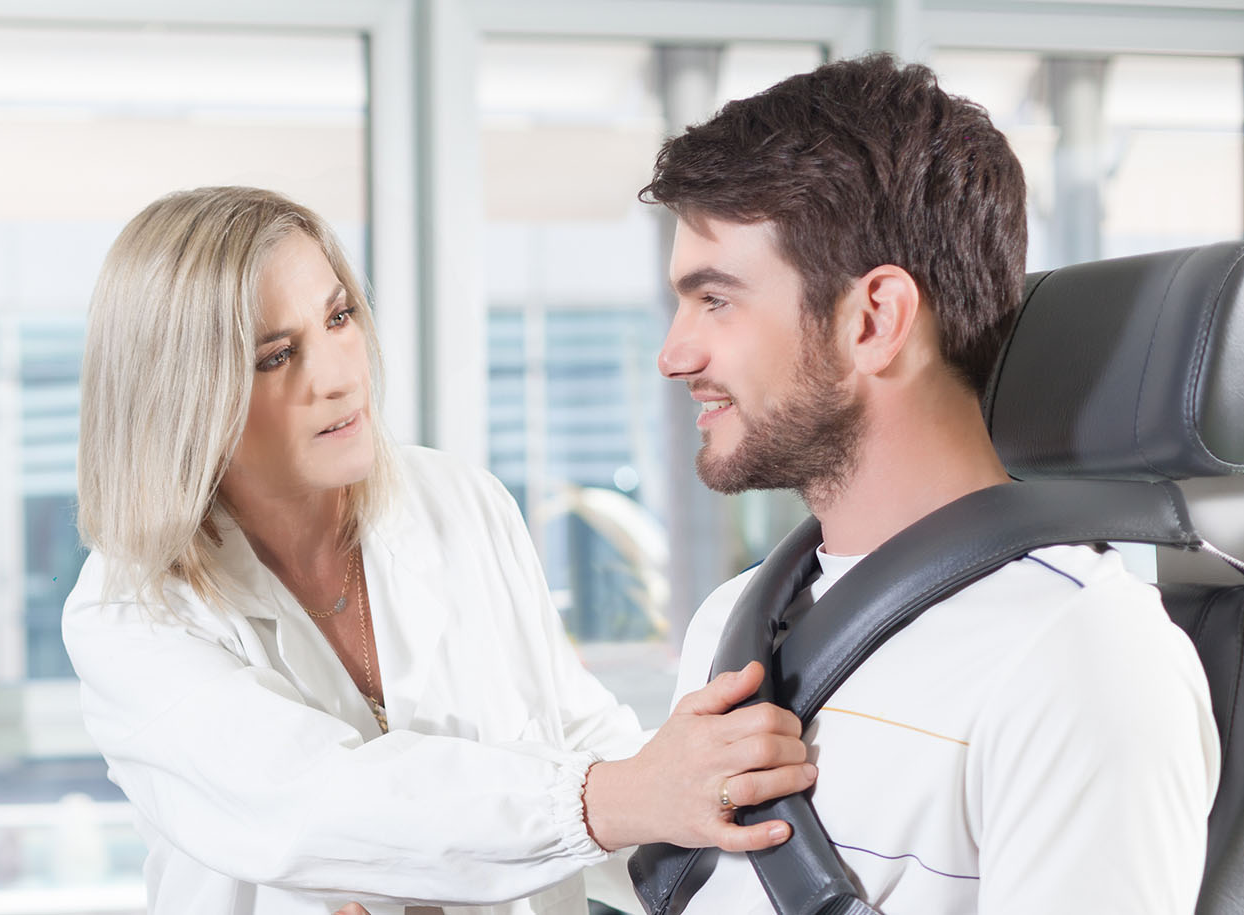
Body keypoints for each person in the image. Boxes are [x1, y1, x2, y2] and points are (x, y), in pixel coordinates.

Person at [61, 186, 819, 915]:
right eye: (274, 356)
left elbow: (576, 732)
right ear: (181, 396)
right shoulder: (130, 610)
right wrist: (621, 795)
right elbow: (317, 803)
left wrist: (718, 820)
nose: (337, 374)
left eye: (339, 316)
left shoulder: (457, 501)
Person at [641, 54, 1217, 913]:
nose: (674, 355)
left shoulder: (1082, 658)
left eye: (716, 300)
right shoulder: (732, 626)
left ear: (875, 319)